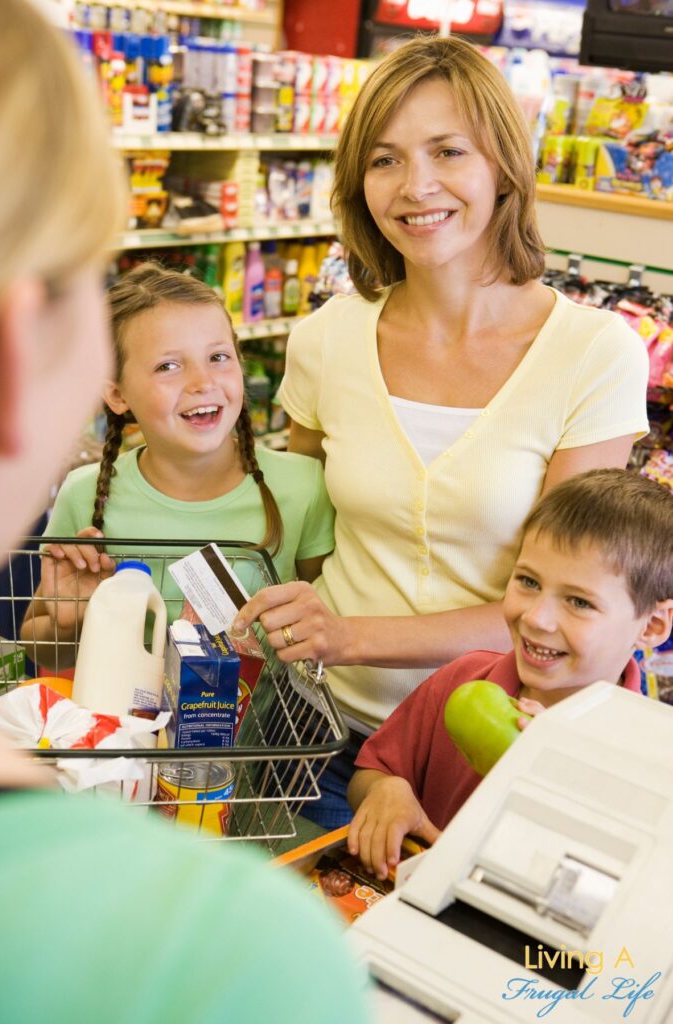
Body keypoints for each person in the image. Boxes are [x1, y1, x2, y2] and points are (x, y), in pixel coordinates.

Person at [0, 5, 370, 1023]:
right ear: (29, 345)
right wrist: (60, 628)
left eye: (216, 355)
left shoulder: (293, 485)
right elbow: (53, 674)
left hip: (235, 765)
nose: (202, 381)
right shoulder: (232, 957)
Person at [234, 35, 649, 826]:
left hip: (493, 748)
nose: (414, 186)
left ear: (502, 166)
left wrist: (348, 636)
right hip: (321, 735)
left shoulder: (593, 354)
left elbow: (563, 600)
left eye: (447, 151)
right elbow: (305, 539)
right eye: (384, 159)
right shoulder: (325, 341)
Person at [346, 468, 673, 879]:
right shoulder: (463, 679)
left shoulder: (647, 756)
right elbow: (374, 770)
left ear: (652, 626)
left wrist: (559, 778)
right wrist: (385, 790)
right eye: (528, 581)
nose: (536, 617)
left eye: (579, 602)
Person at [21, 263, 334, 668]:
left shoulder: (302, 486)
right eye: (168, 366)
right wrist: (70, 622)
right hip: (121, 729)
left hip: (259, 730)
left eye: (218, 356)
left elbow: (323, 620)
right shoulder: (84, 494)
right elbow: (38, 645)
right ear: (117, 395)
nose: (202, 381)